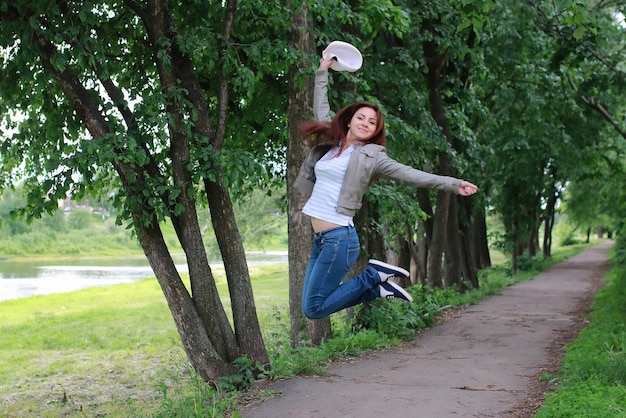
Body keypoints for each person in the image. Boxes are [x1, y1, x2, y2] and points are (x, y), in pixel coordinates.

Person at [294, 56, 478, 320]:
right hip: (322, 240)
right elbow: (321, 107)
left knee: (313, 309)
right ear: (349, 120)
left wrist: (453, 183)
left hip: (339, 240)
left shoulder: (373, 157)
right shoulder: (331, 143)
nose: (365, 123)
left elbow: (411, 175)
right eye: (361, 118)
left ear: (374, 132)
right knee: (311, 306)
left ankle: (373, 276)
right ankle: (378, 289)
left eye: (372, 123)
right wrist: (322, 72)